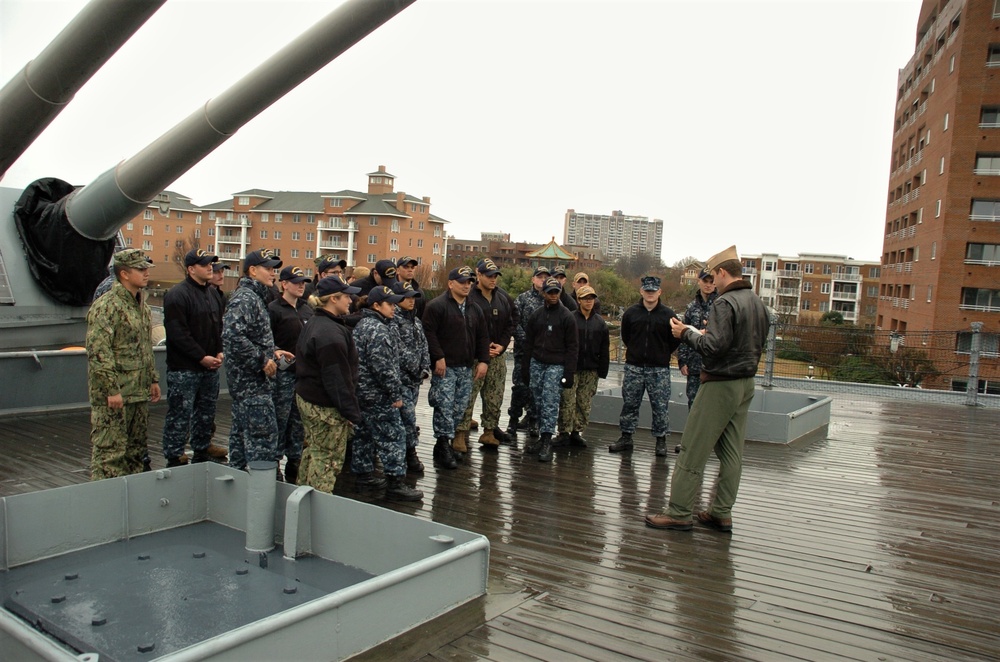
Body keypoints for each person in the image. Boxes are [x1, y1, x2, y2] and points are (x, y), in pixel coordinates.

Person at [645, 246, 770, 532]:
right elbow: (743, 342)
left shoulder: (724, 304)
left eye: (714, 275)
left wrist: (686, 333)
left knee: (693, 448)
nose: (713, 281)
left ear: (723, 272)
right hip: (745, 383)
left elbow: (714, 347)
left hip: (720, 385)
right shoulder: (756, 302)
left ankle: (678, 511)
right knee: (731, 452)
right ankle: (721, 511)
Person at [86, 249, 160, 479]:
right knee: (110, 455)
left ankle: (131, 505)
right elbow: (99, 351)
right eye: (140, 269)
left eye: (147, 268)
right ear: (124, 274)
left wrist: (152, 379)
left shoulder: (142, 308)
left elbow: (145, 347)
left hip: (137, 392)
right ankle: (105, 506)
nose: (146, 273)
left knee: (135, 453)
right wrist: (111, 390)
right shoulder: (106, 306)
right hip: (115, 395)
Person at [222, 249, 292, 471]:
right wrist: (262, 359)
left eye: (274, 269)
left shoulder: (257, 297)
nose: (273, 274)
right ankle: (260, 488)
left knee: (242, 434)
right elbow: (232, 335)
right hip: (250, 383)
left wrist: (273, 352)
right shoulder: (245, 298)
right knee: (261, 437)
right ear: (252, 270)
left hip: (254, 382)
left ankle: (239, 479)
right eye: (268, 269)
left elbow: (251, 335)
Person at [352, 285, 423, 501]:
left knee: (363, 436)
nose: (394, 308)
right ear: (376, 305)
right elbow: (384, 368)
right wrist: (396, 396)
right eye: (390, 304)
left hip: (362, 393)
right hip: (379, 396)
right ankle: (395, 483)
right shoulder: (378, 330)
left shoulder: (363, 325)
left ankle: (363, 477)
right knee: (394, 436)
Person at [295, 275, 362, 493]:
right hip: (325, 408)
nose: (351, 300)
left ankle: (301, 495)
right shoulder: (330, 334)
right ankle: (317, 508)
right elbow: (337, 380)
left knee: (314, 451)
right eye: (346, 296)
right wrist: (351, 413)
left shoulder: (315, 322)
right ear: (333, 299)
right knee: (327, 459)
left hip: (309, 399)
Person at [161, 249, 226, 467]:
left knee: (207, 410)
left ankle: (202, 445)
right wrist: (201, 357)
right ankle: (175, 452)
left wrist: (219, 351)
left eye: (211, 263)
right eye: (204, 264)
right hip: (185, 368)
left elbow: (218, 326)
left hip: (209, 368)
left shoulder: (214, 294)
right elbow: (178, 333)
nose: (210, 268)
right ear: (191, 269)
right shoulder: (177, 295)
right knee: (180, 412)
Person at [422, 266, 489, 468]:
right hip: (446, 367)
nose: (466, 285)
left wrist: (484, 360)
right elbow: (429, 333)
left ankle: (445, 442)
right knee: (444, 406)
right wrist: (438, 357)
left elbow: (482, 336)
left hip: (466, 366)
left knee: (460, 408)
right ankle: (443, 444)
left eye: (469, 282)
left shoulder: (475, 308)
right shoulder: (436, 306)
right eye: (462, 282)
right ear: (451, 283)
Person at [608, 275, 681, 457]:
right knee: (630, 403)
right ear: (641, 291)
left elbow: (674, 341)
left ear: (659, 292)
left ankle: (661, 440)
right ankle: (626, 437)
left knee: (660, 406)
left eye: (653, 291)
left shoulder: (668, 315)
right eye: (647, 290)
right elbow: (626, 337)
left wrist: (661, 354)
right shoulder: (631, 313)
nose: (650, 294)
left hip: (659, 369)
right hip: (634, 367)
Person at [458, 258, 518, 450]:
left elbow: (511, 323)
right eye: (489, 276)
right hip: (475, 356)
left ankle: (489, 431)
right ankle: (460, 432)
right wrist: (481, 347)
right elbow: (462, 325)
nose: (493, 280)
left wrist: (501, 345)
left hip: (497, 356)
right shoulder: (469, 297)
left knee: (495, 395)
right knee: (468, 396)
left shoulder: (503, 298)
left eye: (495, 276)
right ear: (479, 275)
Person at [521, 277, 577, 462]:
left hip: (556, 365)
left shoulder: (567, 316)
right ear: (543, 293)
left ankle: (546, 440)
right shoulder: (536, 315)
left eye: (556, 292)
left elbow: (572, 347)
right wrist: (526, 367)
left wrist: (569, 373)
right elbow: (528, 343)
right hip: (537, 363)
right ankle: (539, 436)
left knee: (550, 402)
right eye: (550, 292)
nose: (553, 296)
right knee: (536, 401)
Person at [268, 265, 314, 483]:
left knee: (298, 421)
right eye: (296, 282)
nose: (301, 286)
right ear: (284, 284)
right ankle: (275, 461)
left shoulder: (307, 310)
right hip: (282, 375)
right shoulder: (274, 310)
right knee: (280, 418)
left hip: (303, 375)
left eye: (303, 282)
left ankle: (295, 460)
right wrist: (274, 351)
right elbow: (266, 340)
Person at [557, 284, 609, 448]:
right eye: (585, 298)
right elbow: (562, 343)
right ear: (578, 300)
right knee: (567, 401)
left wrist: (602, 370)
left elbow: (604, 348)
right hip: (572, 367)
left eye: (592, 298)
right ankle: (564, 432)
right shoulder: (570, 318)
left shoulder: (600, 322)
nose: (589, 301)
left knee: (584, 403)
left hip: (591, 369)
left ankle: (576, 432)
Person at [391, 279, 430, 473]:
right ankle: (409, 453)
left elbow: (424, 345)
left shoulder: (415, 321)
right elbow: (398, 350)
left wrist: (424, 367)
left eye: (413, 297)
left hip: (415, 381)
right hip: (401, 380)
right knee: (407, 418)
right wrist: (414, 366)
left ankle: (408, 451)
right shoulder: (392, 321)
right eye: (407, 298)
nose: (411, 301)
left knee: (410, 415)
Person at [508, 265, 550, 438]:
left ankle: (533, 421)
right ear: (533, 279)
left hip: (542, 355)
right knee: (520, 387)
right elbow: (513, 321)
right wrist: (525, 340)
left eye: (545, 277)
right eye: (539, 277)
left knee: (536, 390)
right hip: (523, 353)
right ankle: (513, 422)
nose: (542, 280)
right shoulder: (522, 299)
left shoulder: (551, 300)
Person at [677, 269, 718, 408]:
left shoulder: (720, 305)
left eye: (711, 282)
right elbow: (683, 334)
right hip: (694, 366)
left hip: (714, 366)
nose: (708, 285)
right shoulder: (691, 308)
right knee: (693, 405)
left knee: (712, 406)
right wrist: (682, 361)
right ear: (699, 281)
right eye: (705, 281)